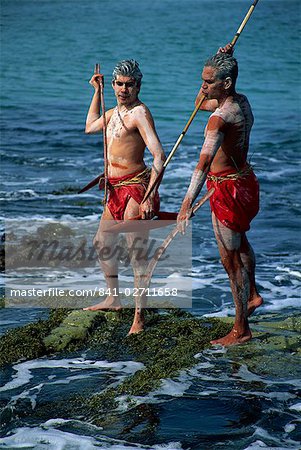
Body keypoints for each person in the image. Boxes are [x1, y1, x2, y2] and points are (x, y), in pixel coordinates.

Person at [177, 44, 263, 346]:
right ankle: (252, 295)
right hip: (246, 183)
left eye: (209, 81)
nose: (203, 85)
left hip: (227, 190)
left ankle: (241, 330)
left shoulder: (220, 118)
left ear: (225, 83)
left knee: (230, 260)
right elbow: (199, 103)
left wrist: (187, 202)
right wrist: (222, 57)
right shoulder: (241, 101)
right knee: (240, 244)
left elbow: (202, 163)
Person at [83, 59, 166, 334]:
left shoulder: (140, 114)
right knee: (102, 241)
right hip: (114, 188)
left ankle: (139, 318)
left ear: (138, 86)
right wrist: (97, 91)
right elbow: (90, 126)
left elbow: (158, 156)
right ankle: (114, 298)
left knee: (136, 255)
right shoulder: (113, 112)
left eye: (129, 85)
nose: (123, 89)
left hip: (134, 189)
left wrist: (148, 197)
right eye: (119, 83)